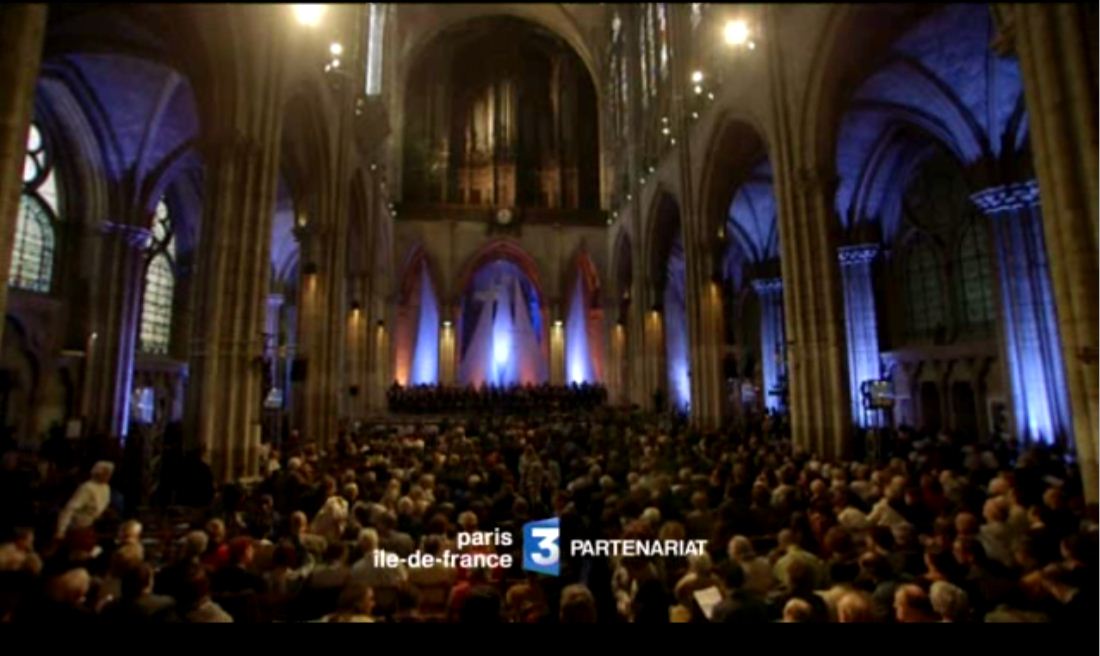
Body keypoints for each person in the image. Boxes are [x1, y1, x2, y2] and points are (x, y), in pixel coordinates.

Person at [56, 461, 114, 553]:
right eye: (106, 473)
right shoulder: (87, 488)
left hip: (93, 527)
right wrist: (61, 530)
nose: (108, 476)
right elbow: (70, 509)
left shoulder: (106, 488)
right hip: (79, 529)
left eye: (109, 474)